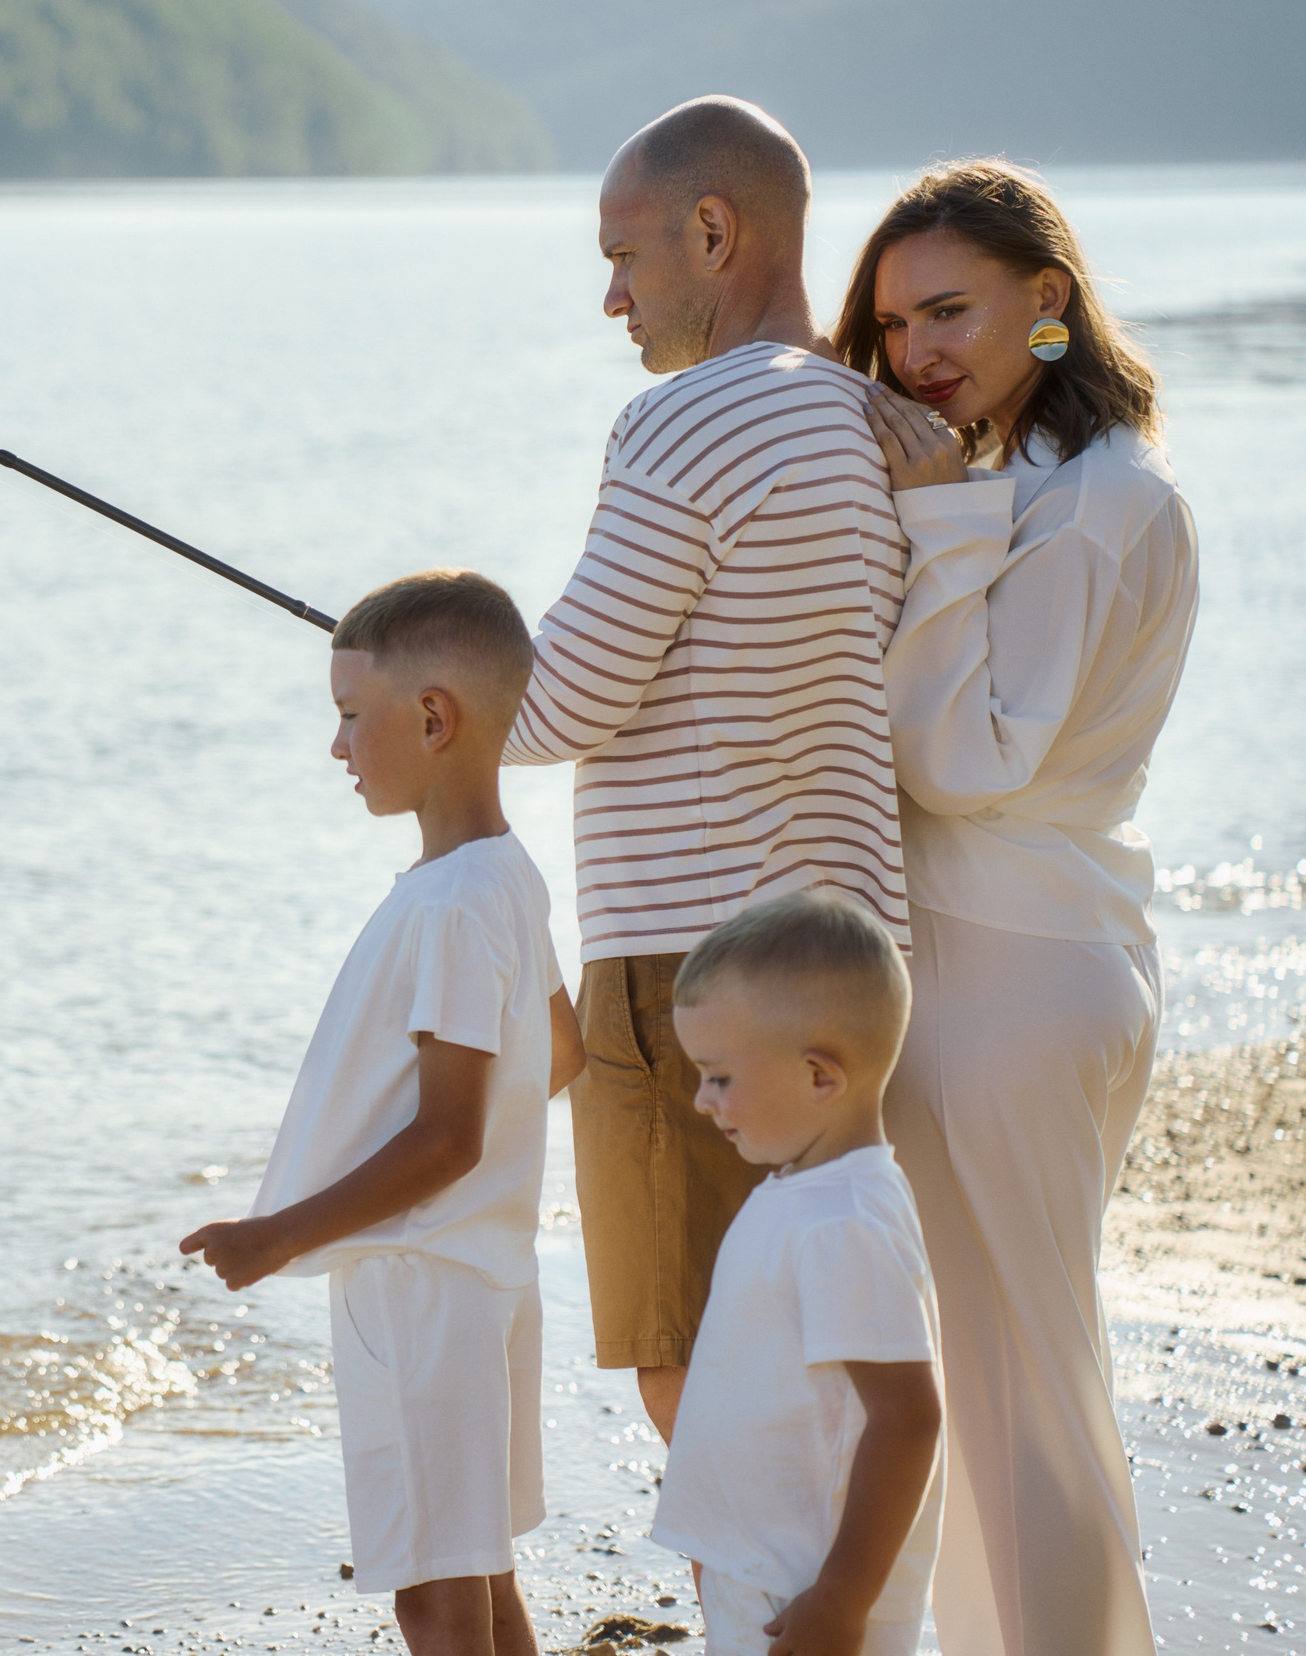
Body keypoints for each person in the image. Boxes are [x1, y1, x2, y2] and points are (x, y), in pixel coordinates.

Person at [504, 95, 909, 1446]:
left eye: (624, 259)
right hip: (853, 964)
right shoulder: (874, 420)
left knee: (696, 1358)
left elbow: (558, 700)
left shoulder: (682, 424)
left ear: (714, 229)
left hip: (688, 969)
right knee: (820, 1343)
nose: (612, 299)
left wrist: (426, 695)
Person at [837, 160, 1198, 1656]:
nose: (917, 350)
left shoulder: (1097, 501)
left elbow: (971, 759)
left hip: (1013, 968)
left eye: (949, 310)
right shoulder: (1033, 478)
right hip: (1030, 954)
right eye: (892, 322)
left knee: (1027, 1385)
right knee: (994, 1372)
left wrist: (936, 529)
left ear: (1047, 302)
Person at [180, 569, 582, 1656]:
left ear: (434, 716)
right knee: (477, 1563)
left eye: (350, 716)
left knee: (426, 1585)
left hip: (415, 1283)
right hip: (482, 1269)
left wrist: (279, 1234)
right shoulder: (504, 875)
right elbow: (562, 1049)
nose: (337, 746)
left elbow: (447, 1135)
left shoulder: (450, 905)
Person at [656, 890, 943, 1656]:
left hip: (808, 1588)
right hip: (765, 1570)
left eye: (718, 1076)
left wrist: (843, 1601)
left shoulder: (845, 1222)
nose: (700, 1099)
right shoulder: (801, 1190)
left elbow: (909, 1418)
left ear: (820, 1077)